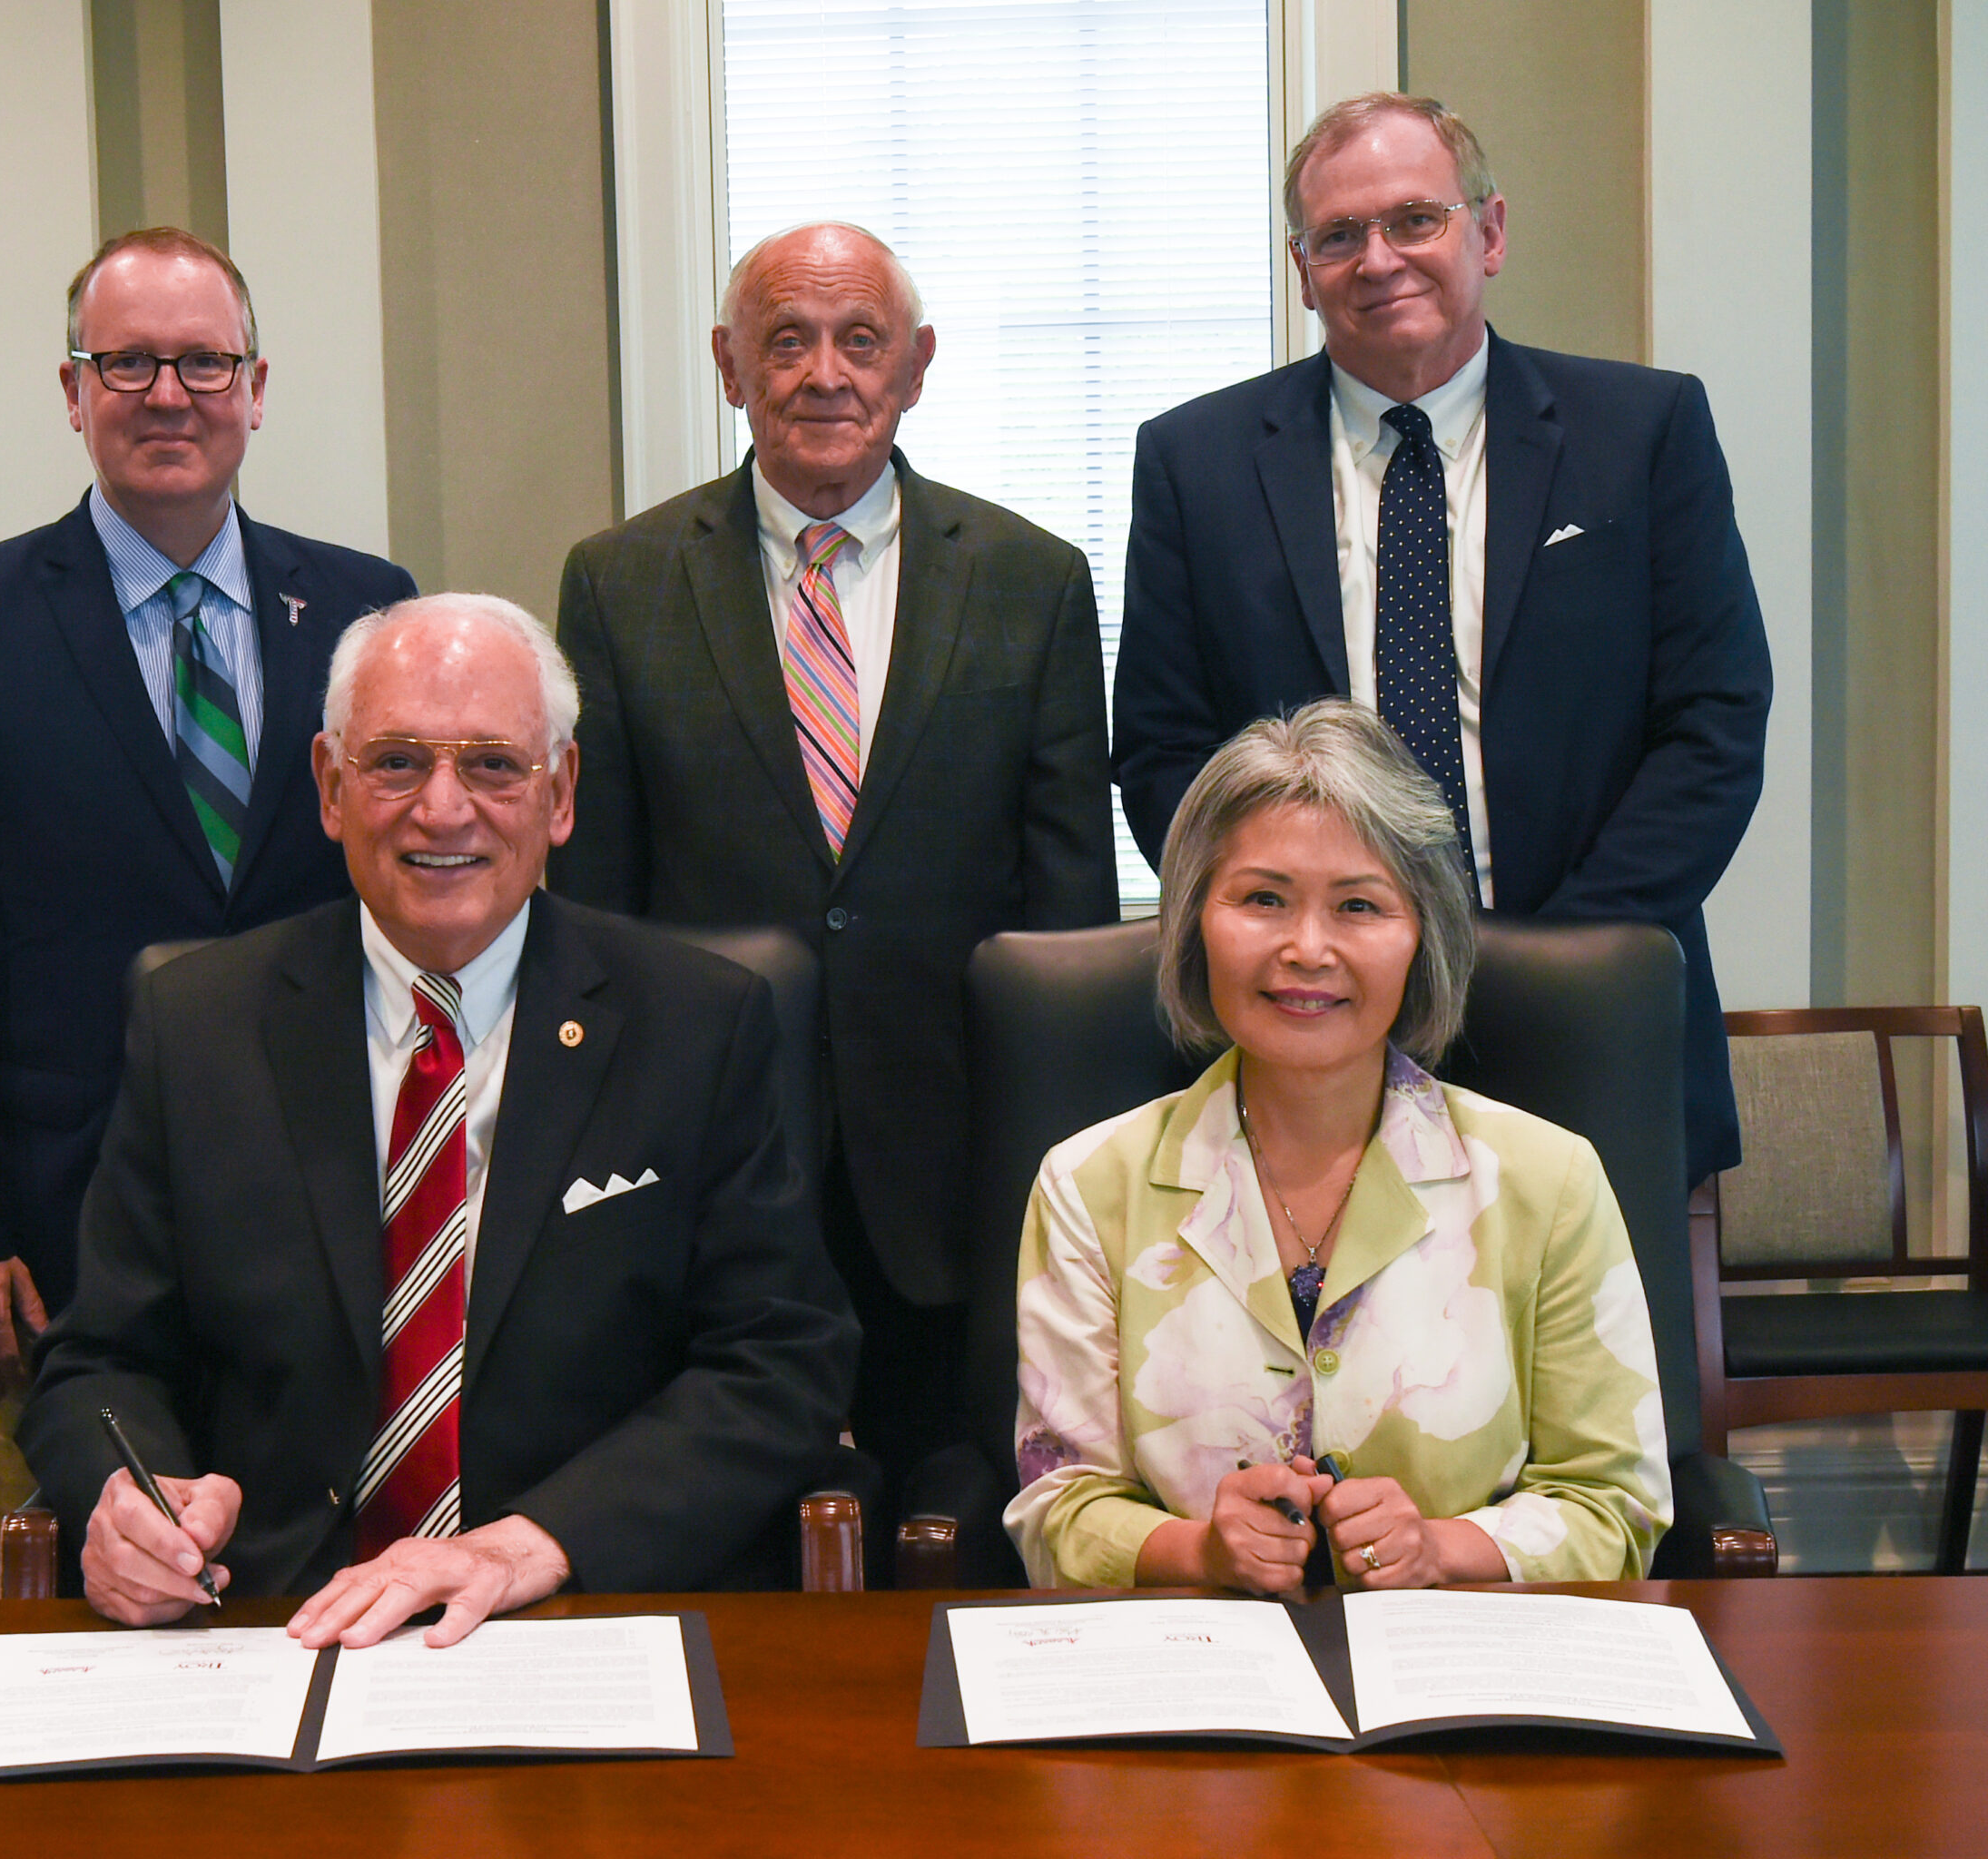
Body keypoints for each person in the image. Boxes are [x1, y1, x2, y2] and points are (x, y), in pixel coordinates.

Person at [18, 594, 859, 1647]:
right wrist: (133, 1499)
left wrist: (529, 1542)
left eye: (494, 765)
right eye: (398, 761)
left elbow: (781, 1359)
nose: (444, 807)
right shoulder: (197, 1022)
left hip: (577, 1609)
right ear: (330, 785)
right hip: (273, 1616)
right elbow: (99, 1359)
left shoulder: (698, 1020)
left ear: (561, 794)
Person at [0, 227, 418, 1589]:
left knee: (317, 1588)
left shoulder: (365, 612)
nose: (171, 393)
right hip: (56, 1248)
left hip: (335, 1224)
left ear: (257, 386)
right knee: (68, 1618)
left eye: (204, 361)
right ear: (73, 388)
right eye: (130, 361)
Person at [1112, 93, 1770, 1189]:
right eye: (1338, 236)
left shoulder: (1640, 431)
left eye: (1414, 220)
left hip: (1588, 1004)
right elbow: (1162, 751)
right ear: (1301, 264)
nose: (1379, 260)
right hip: (1304, 1030)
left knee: (1591, 1354)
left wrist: (1543, 960)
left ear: (1489, 232)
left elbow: (1712, 722)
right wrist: (1300, 946)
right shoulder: (1197, 461)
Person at [550, 221, 1118, 1491]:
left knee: (957, 1513)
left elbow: (1065, 916)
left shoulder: (1033, 580)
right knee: (729, 1514)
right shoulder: (619, 582)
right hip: (708, 1153)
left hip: (953, 1162)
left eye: (860, 342)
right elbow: (598, 910)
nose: (824, 374)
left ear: (914, 366)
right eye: (785, 342)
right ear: (727, 365)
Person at [1008, 700, 1670, 1592]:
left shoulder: (1547, 1180)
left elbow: (1613, 1504)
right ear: (1195, 922)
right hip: (1199, 1677)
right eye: (1262, 899)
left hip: (1455, 1671)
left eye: (1358, 905)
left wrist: (1443, 1547)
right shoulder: (1089, 1183)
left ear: (1420, 935)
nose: (1306, 948)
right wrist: (1199, 1549)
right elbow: (1058, 1508)